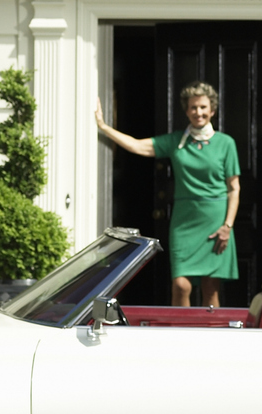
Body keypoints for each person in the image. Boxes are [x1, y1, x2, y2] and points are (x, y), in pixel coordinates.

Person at [94, 81, 241, 308]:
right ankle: (179, 335)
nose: (198, 112)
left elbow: (234, 188)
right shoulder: (176, 142)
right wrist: (103, 127)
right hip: (185, 221)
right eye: (193, 107)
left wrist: (227, 226)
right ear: (186, 111)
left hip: (216, 222)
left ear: (212, 110)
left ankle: (211, 338)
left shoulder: (226, 143)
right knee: (181, 284)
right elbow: (137, 146)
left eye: (203, 107)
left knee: (211, 288)